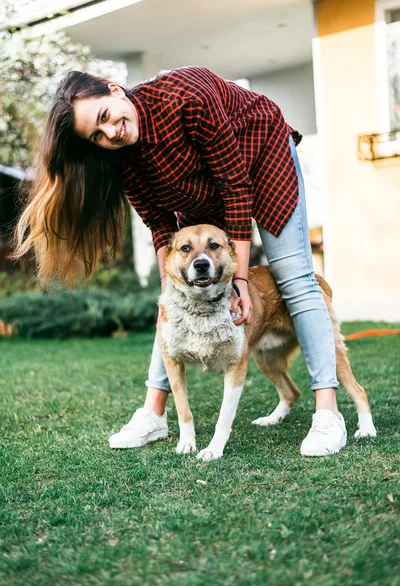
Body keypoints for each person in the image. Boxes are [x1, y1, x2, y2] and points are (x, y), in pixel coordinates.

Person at [13, 66, 346, 457]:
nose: (111, 133)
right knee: (175, 302)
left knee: (293, 277)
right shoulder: (124, 157)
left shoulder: (186, 96)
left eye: (105, 117)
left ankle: (328, 414)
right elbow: (159, 225)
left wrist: (239, 280)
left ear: (115, 90)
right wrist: (169, 291)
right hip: (203, 188)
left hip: (261, 155)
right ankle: (154, 414)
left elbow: (236, 189)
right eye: (97, 136)